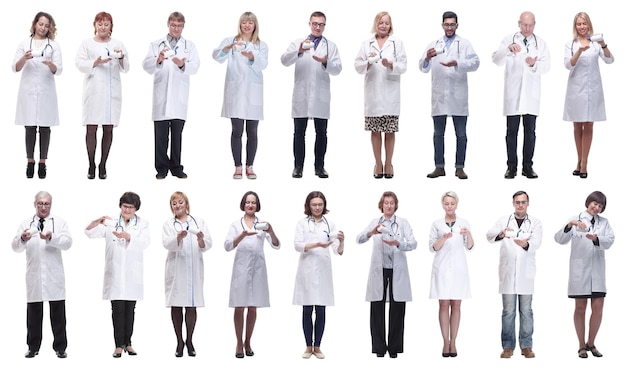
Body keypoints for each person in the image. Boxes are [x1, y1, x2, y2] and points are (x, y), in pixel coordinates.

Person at [85, 192, 150, 358]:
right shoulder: (111, 222)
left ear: (136, 208)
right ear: (120, 206)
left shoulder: (142, 224)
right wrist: (96, 222)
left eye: (131, 207)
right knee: (117, 310)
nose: (127, 209)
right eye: (125, 206)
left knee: (130, 309)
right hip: (114, 273)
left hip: (132, 274)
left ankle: (128, 343)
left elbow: (145, 243)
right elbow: (89, 233)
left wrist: (128, 236)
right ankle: (118, 345)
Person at [281, 11, 342, 179]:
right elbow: (284, 60)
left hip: (320, 96)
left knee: (321, 133)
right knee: (299, 133)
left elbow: (338, 69)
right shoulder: (298, 43)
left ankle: (319, 167)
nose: (318, 27)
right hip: (302, 94)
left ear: (324, 26)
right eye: (315, 23)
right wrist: (299, 51)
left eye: (321, 24)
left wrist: (325, 62)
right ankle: (298, 167)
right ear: (309, 24)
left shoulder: (331, 46)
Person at [12, 191, 72, 358]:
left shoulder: (59, 222)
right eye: (40, 203)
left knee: (58, 315)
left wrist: (52, 237)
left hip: (54, 277)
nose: (43, 207)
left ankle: (60, 348)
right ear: (35, 204)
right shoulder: (26, 223)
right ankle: (33, 347)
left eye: (46, 203)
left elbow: (68, 243)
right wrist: (23, 238)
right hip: (35, 276)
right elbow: (15, 247)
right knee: (33, 315)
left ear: (50, 205)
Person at [356, 191, 417, 358]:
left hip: (397, 269)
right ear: (381, 205)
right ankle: (379, 348)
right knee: (377, 308)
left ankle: (394, 348)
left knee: (397, 309)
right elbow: (359, 239)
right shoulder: (375, 222)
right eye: (386, 203)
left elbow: (413, 243)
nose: (389, 205)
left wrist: (398, 243)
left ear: (395, 205)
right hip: (379, 269)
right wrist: (371, 233)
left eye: (392, 203)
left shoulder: (403, 223)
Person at [554, 191, 614, 358]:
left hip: (597, 273)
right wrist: (569, 224)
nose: (596, 207)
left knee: (598, 309)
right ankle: (581, 345)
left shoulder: (605, 222)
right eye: (595, 203)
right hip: (580, 272)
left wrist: (596, 239)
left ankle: (591, 343)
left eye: (600, 206)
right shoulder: (576, 219)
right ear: (588, 202)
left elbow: (610, 240)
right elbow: (559, 239)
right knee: (580, 308)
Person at [420, 11, 480, 180]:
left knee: (461, 134)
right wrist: (427, 57)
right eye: (446, 24)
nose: (449, 27)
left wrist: (457, 63)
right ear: (442, 25)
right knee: (438, 134)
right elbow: (422, 67)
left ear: (457, 25)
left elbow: (476, 63)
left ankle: (459, 167)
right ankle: (439, 167)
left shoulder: (465, 43)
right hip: (439, 96)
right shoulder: (434, 44)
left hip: (458, 96)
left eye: (452, 24)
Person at [492, 11, 550, 179]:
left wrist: (534, 64)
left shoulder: (541, 43)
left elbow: (547, 66)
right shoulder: (508, 39)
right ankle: (511, 167)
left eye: (530, 25)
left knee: (530, 132)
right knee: (511, 132)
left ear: (534, 24)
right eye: (524, 25)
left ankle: (527, 167)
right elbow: (496, 60)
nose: (527, 28)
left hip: (531, 96)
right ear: (519, 23)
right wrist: (507, 50)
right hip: (513, 94)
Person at [142, 11, 200, 179]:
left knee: (177, 135)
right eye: (173, 25)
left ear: (183, 27)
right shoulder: (156, 44)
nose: (176, 28)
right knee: (160, 137)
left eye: (179, 26)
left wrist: (183, 65)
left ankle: (176, 167)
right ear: (168, 25)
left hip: (179, 97)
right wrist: (158, 60)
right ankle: (161, 168)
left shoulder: (189, 46)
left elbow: (195, 66)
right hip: (161, 96)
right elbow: (146, 66)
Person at [486, 190, 542, 358]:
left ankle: (526, 346)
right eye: (517, 202)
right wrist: (502, 233)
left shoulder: (535, 222)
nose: (520, 205)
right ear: (513, 203)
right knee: (508, 311)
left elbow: (537, 242)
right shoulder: (504, 220)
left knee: (526, 311)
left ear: (528, 203)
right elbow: (489, 236)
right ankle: (508, 346)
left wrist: (525, 243)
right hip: (508, 274)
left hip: (526, 274)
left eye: (523, 202)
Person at [213, 12, 268, 180]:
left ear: (255, 25)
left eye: (250, 22)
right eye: (244, 22)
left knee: (252, 131)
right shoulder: (230, 40)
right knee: (236, 130)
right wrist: (227, 48)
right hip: (235, 92)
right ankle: (237, 166)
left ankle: (250, 166)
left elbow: (263, 64)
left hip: (253, 93)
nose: (247, 25)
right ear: (240, 24)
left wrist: (252, 56)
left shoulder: (261, 45)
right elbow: (216, 56)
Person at [224, 191, 280, 358]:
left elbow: (276, 245)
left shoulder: (262, 224)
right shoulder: (236, 224)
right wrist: (242, 234)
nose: (250, 205)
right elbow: (227, 246)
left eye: (253, 202)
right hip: (241, 269)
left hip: (257, 269)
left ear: (257, 205)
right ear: (243, 204)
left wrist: (271, 231)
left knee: (253, 306)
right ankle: (239, 343)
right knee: (239, 306)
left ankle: (248, 341)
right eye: (248, 202)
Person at [75, 12, 129, 180]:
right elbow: (78, 63)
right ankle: (91, 163)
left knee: (108, 128)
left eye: (106, 24)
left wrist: (121, 57)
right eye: (100, 24)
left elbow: (126, 67)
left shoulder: (118, 43)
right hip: (93, 91)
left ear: (111, 27)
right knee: (91, 128)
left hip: (111, 93)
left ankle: (103, 164)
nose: (103, 27)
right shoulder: (86, 43)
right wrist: (96, 62)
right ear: (95, 26)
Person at [354, 11, 407, 179]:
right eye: (381, 22)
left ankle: (389, 163)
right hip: (373, 93)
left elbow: (404, 66)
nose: (383, 25)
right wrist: (368, 63)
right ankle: (378, 163)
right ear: (375, 24)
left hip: (390, 93)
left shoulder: (397, 43)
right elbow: (357, 65)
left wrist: (390, 64)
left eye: (387, 23)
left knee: (390, 131)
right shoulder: (366, 43)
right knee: (375, 130)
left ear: (390, 25)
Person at [293, 191, 344, 359]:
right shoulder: (302, 223)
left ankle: (318, 346)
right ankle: (308, 347)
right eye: (314, 204)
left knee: (321, 310)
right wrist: (317, 244)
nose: (317, 207)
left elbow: (338, 251)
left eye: (320, 204)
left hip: (323, 270)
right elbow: (298, 245)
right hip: (307, 270)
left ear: (324, 205)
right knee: (307, 309)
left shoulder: (330, 223)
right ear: (308, 206)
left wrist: (342, 242)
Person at [12, 12, 63, 179]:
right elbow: (15, 67)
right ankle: (30, 162)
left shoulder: (53, 45)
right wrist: (24, 58)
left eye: (47, 25)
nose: (43, 28)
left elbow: (59, 70)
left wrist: (50, 64)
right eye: (41, 24)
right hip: (28, 90)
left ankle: (42, 163)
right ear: (35, 24)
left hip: (46, 90)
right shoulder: (24, 43)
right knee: (30, 127)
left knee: (45, 128)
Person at [563, 12, 614, 179]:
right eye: (578, 24)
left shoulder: (596, 44)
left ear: (589, 25)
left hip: (593, 89)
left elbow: (610, 60)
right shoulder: (571, 44)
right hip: (576, 89)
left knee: (589, 125)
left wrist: (604, 44)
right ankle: (578, 160)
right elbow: (568, 64)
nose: (582, 27)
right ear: (575, 26)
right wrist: (579, 51)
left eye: (584, 23)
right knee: (577, 126)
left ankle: (585, 162)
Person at [162, 191, 212, 357]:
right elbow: (166, 244)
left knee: (191, 305)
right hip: (176, 269)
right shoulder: (169, 224)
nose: (177, 205)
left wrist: (200, 239)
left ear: (186, 204)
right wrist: (178, 238)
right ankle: (179, 341)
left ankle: (189, 340)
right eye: (174, 203)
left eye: (180, 202)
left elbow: (207, 245)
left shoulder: (199, 222)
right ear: (171, 207)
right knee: (176, 304)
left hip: (193, 269)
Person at [428, 191, 474, 357]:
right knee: (443, 304)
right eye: (446, 204)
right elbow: (432, 247)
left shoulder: (463, 223)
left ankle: (453, 342)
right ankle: (444, 342)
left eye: (452, 204)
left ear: (456, 204)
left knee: (456, 305)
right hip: (441, 269)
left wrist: (468, 234)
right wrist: (444, 238)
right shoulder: (436, 224)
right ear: (442, 205)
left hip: (459, 269)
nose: (449, 206)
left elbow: (470, 247)